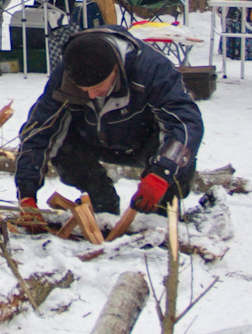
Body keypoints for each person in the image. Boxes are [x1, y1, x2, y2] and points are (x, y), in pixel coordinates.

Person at [14, 27, 203, 217]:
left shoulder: (152, 69)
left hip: (145, 141)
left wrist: (162, 173)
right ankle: (102, 201)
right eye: (83, 89)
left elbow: (186, 123)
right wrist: (26, 194)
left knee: (180, 152)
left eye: (97, 87)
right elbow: (39, 131)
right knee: (60, 143)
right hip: (92, 140)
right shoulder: (66, 74)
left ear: (115, 69)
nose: (91, 95)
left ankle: (162, 211)